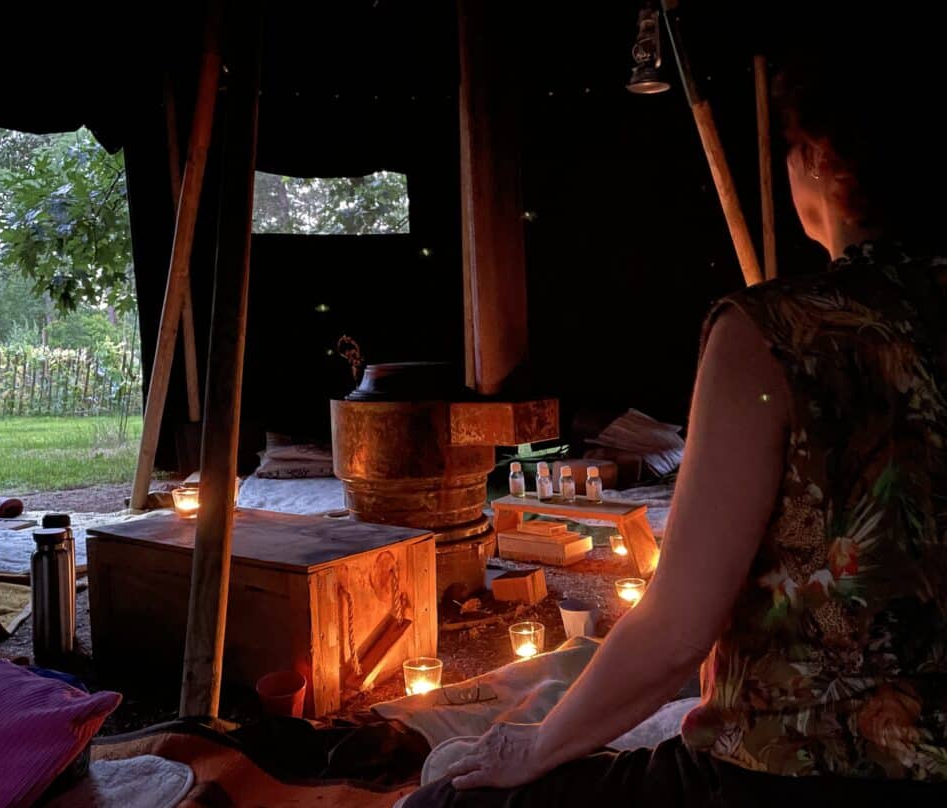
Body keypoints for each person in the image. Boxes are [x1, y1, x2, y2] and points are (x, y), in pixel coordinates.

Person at [404, 27, 947, 808]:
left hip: (792, 769)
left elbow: (676, 634)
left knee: (447, 804)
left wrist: (538, 745)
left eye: (792, 150)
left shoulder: (774, 334)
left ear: (821, 156)